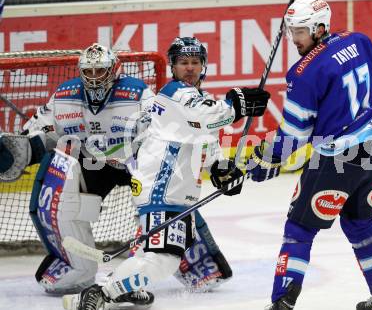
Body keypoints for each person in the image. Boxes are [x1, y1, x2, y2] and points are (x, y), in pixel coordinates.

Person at [61, 36, 270, 310]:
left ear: (204, 65)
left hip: (170, 191)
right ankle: (101, 293)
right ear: (173, 66)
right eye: (183, 62)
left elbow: (204, 140)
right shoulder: (175, 93)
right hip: (163, 190)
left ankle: (115, 288)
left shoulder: (196, 100)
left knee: (153, 256)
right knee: (164, 260)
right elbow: (209, 116)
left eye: (196, 62)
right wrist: (235, 103)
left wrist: (221, 169)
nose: (190, 68)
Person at [245, 0, 372, 310]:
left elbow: (293, 135)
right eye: (291, 31)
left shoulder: (303, 73)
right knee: (359, 224)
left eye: (301, 31)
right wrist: (366, 116)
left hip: (337, 159)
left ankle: (281, 304)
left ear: (320, 28)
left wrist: (265, 161)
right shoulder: (358, 41)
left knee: (298, 229)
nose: (294, 39)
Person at [0, 43, 159, 307]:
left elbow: (160, 130)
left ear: (114, 70)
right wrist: (23, 148)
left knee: (154, 208)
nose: (95, 76)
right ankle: (80, 268)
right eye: (90, 71)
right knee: (65, 188)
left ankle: (161, 262)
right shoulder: (64, 95)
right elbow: (38, 131)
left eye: (101, 70)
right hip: (95, 165)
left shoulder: (137, 93)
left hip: (135, 163)